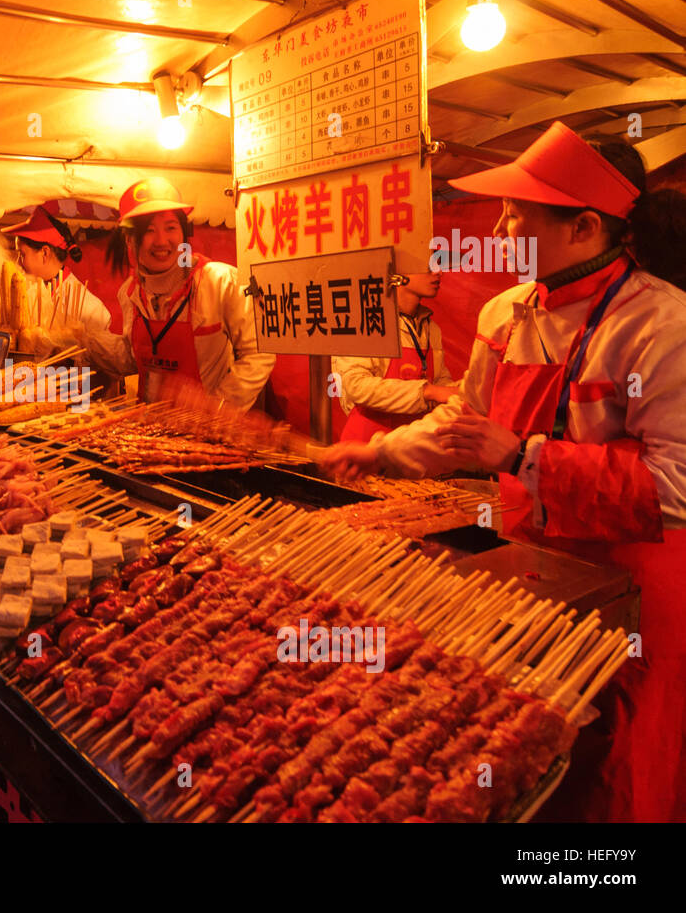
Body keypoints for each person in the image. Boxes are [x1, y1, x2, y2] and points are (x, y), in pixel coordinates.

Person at [319, 123, 686, 821]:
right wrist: (379, 455)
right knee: (529, 745)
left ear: (583, 226)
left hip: (636, 580)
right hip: (535, 568)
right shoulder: (506, 312)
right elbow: (466, 418)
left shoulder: (661, 325)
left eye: (520, 211)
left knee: (616, 762)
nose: (500, 224)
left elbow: (676, 485)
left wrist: (523, 457)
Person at [77, 178, 275, 410]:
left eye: (171, 227)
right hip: (149, 432)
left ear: (183, 232)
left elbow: (259, 353)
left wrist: (219, 408)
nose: (162, 241)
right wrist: (84, 340)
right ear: (129, 239)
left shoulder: (220, 283)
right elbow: (134, 357)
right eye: (149, 230)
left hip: (206, 435)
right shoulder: (130, 293)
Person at [332, 265, 459, 441]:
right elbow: (356, 386)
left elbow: (438, 380)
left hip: (412, 445)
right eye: (429, 267)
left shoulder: (431, 329)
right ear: (398, 271)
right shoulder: (366, 322)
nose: (439, 272)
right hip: (367, 446)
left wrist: (459, 391)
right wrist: (428, 392)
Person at [2, 206, 111, 355]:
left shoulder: (90, 308)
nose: (18, 263)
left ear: (45, 253)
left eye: (22, 254)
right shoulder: (30, 295)